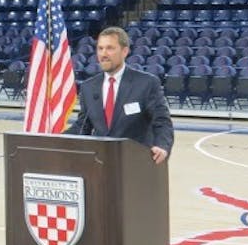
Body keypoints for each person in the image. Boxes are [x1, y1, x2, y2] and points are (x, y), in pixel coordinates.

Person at [66, 26, 174, 164]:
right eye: (100, 48)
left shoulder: (146, 83)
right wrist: (58, 141)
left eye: (110, 48)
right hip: (100, 163)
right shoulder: (88, 87)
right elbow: (83, 126)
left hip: (136, 163)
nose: (103, 54)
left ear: (125, 51)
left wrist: (162, 146)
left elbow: (162, 122)